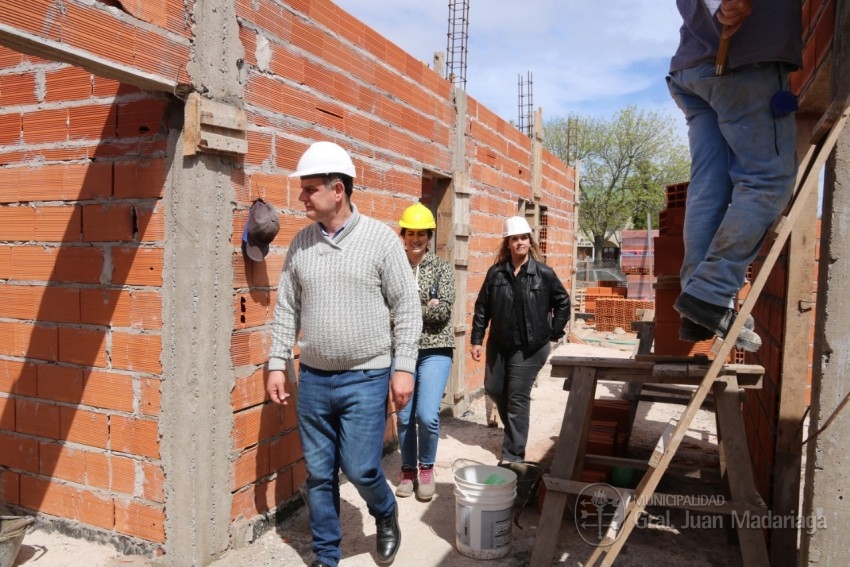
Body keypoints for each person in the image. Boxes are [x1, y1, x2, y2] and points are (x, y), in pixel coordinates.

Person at [266, 141, 421, 567]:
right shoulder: (300, 244)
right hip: (314, 378)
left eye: (309, 189)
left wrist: (404, 367)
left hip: (366, 377)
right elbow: (286, 309)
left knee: (361, 467)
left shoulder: (381, 241)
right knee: (318, 474)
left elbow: (407, 307)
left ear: (338, 190)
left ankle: (385, 512)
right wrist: (277, 362)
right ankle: (327, 555)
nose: (302, 197)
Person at [667, 0, 802, 351]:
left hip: (693, 70)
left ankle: (698, 304)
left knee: (708, 189)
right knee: (768, 179)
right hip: (742, 59)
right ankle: (709, 296)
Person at [470, 216, 571, 464]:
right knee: (494, 388)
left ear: (530, 241)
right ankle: (515, 430)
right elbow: (482, 307)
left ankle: (513, 454)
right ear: (507, 243)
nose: (520, 243)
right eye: (514, 238)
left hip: (530, 347)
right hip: (500, 344)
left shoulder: (543, 274)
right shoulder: (496, 274)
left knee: (517, 396)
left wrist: (553, 332)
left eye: (523, 238)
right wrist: (476, 340)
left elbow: (563, 302)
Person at [394, 203, 455, 502]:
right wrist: (422, 309)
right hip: (402, 349)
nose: (415, 238)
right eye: (411, 233)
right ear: (403, 235)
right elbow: (384, 311)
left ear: (429, 236)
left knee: (427, 415)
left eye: (422, 233)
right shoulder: (393, 267)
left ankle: (426, 468)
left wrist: (405, 311)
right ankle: (407, 471)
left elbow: (442, 312)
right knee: (404, 416)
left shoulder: (442, 268)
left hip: (436, 348)